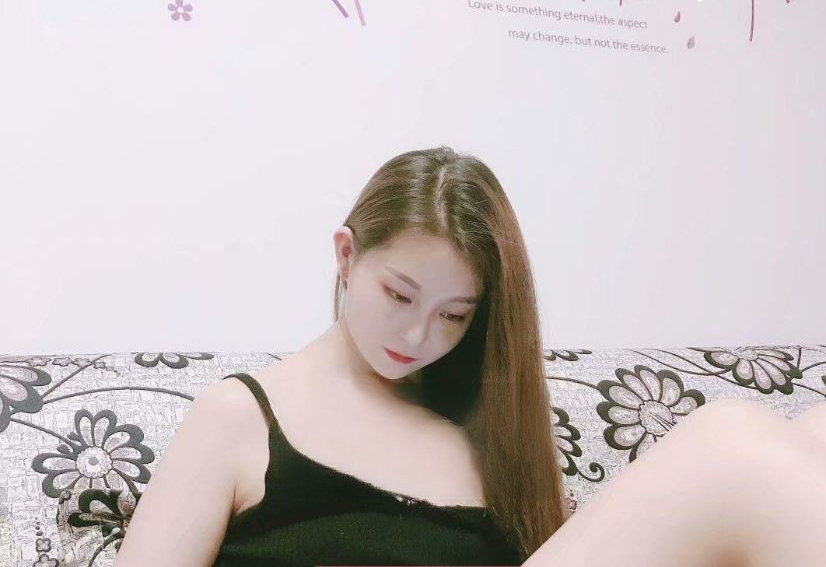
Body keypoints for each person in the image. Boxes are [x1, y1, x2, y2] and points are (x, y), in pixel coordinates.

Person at [115, 146, 826, 567]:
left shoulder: (487, 432)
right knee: (732, 441)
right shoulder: (238, 419)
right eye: (399, 294)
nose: (417, 336)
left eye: (454, 315)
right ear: (347, 255)